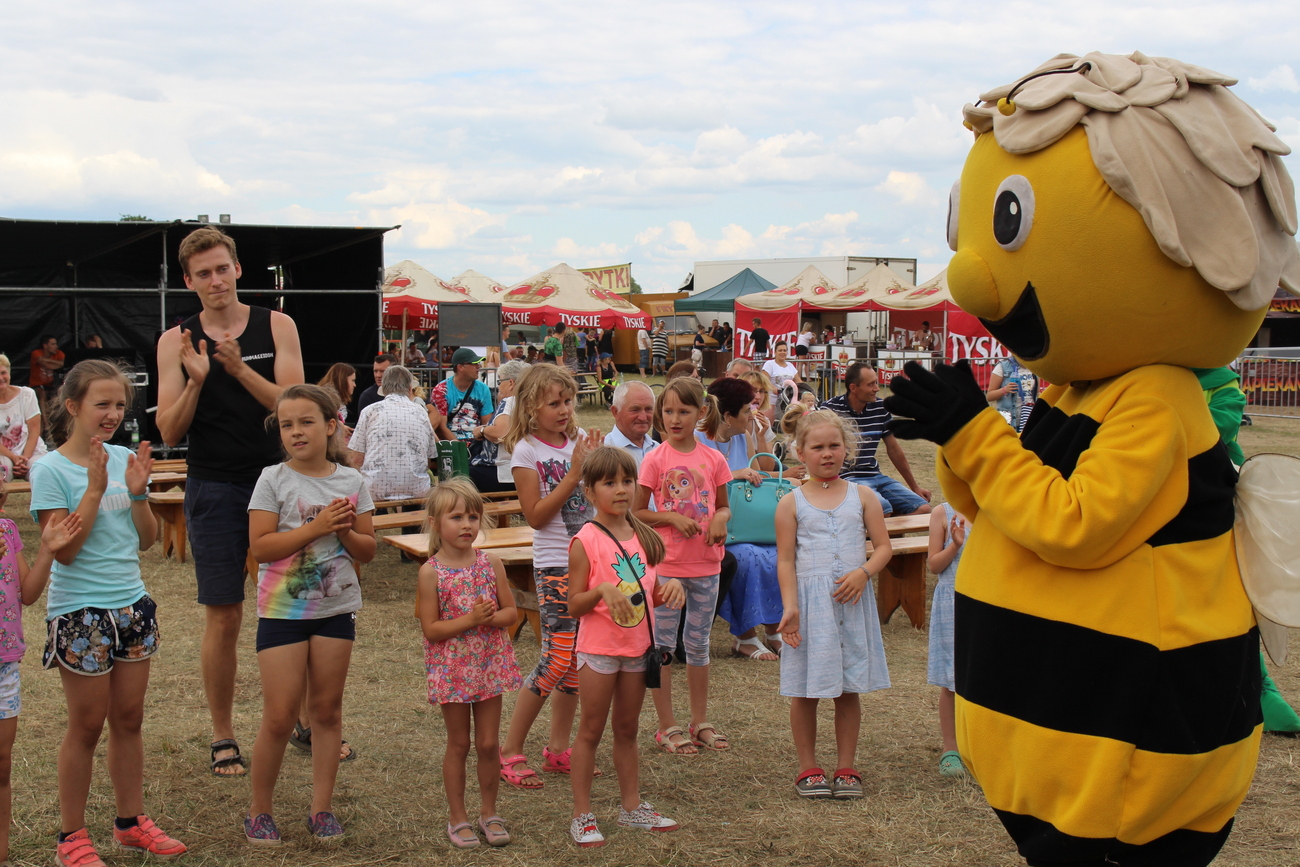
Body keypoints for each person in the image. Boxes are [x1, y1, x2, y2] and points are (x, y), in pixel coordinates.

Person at [155, 225, 304, 778]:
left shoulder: (278, 324)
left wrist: (238, 368)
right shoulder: (175, 341)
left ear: (238, 269)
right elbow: (169, 430)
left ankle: (302, 718)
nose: (215, 280)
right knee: (224, 614)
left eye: (222, 268)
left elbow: (294, 407)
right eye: (204, 273)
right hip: (214, 484)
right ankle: (223, 733)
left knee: (294, 603)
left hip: (280, 482)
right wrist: (197, 381)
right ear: (188, 282)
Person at [30, 360, 189, 863]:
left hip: (132, 606)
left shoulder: (123, 458)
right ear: (72, 406)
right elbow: (66, 553)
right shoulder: (50, 470)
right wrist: (95, 490)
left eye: (120, 405)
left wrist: (139, 493)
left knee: (129, 718)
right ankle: (71, 838)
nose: (113, 414)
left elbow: (146, 541)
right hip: (81, 613)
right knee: (86, 726)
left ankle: (130, 822)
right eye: (102, 404)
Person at [244, 383, 376, 845]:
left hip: (335, 610)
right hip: (282, 612)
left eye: (306, 422)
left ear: (331, 426)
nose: (296, 432)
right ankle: (259, 811)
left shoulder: (352, 482)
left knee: (326, 711)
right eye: (287, 425)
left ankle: (321, 809)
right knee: (280, 716)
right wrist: (317, 526)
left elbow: (367, 549)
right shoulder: (272, 479)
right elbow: (261, 548)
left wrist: (344, 532)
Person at [567, 447, 685, 847]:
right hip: (599, 651)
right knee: (590, 730)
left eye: (627, 481)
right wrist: (601, 590)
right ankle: (582, 815)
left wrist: (672, 587)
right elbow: (573, 604)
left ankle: (631, 807)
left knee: (628, 729)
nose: (621, 490)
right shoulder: (585, 540)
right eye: (609, 483)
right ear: (589, 491)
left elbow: (648, 592)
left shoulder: (644, 537)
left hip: (638, 650)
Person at [776, 410, 893, 800]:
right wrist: (791, 608)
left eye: (834, 445)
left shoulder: (864, 496)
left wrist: (864, 572)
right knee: (805, 690)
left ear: (847, 448)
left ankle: (846, 767)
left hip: (850, 604)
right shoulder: (790, 503)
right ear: (800, 452)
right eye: (817, 447)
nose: (827, 453)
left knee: (848, 688)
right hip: (810, 609)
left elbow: (884, 547)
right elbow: (785, 561)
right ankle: (808, 767)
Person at [498, 365, 601, 790]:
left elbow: (595, 502)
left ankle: (559, 748)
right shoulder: (526, 451)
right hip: (556, 563)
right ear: (530, 407)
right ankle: (509, 750)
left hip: (589, 561)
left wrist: (594, 470)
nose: (564, 409)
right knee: (557, 658)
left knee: (576, 660)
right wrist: (575, 473)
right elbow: (537, 517)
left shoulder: (580, 441)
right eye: (554, 403)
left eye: (568, 401)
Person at [418, 479, 521, 849]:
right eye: (457, 517)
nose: (466, 525)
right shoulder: (431, 572)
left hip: (490, 665)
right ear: (435, 523)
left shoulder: (491, 564)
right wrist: (472, 619)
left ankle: (489, 812)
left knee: (489, 743)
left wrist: (490, 618)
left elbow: (511, 612)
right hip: (453, 670)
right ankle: (457, 816)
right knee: (459, 743)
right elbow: (431, 629)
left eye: (473, 517)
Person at [636, 378, 732, 754]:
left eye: (684, 411)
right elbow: (637, 512)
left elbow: (723, 506)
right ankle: (666, 726)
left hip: (707, 565)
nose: (675, 419)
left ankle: (699, 721)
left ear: (701, 413)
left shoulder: (714, 459)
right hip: (668, 569)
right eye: (668, 411)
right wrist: (671, 518)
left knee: (698, 643)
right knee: (662, 646)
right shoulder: (655, 459)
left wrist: (721, 519)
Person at [0, 480, 80, 864]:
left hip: (4, 664)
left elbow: (27, 594)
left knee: (2, 764)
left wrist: (47, 549)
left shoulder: (7, 530)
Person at [696, 378, 782, 661]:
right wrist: (733, 475)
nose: (751, 415)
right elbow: (693, 487)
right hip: (712, 526)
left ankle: (774, 630)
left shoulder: (742, 437)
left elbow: (758, 474)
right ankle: (744, 636)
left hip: (744, 525)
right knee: (745, 558)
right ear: (728, 416)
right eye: (746, 410)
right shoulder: (697, 440)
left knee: (776, 554)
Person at [820, 362, 931, 517]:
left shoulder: (880, 408)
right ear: (853, 388)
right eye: (871, 384)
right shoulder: (830, 410)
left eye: (876, 383)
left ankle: (882, 530)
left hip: (874, 475)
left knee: (923, 509)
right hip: (847, 477)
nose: (877, 388)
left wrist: (915, 487)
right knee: (882, 509)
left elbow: (894, 449)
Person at [348, 366, 438, 500]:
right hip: (417, 490)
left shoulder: (369, 411)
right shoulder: (421, 412)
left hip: (374, 490)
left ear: (384, 390)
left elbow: (356, 458)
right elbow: (428, 457)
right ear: (410, 389)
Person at [926, 502, 968, 778]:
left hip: (988, 602)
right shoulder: (942, 513)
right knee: (952, 679)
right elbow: (934, 565)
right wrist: (954, 545)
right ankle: (950, 748)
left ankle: (982, 747)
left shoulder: (995, 507)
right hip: (953, 603)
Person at [472, 359, 529, 495]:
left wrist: (482, 430)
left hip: (503, 472)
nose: (498, 387)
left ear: (511, 383)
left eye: (500, 382)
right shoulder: (531, 402)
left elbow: (501, 433)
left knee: (459, 474)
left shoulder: (511, 401)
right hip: (524, 470)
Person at [429, 348, 494, 454]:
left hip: (477, 445)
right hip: (451, 447)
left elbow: (486, 423)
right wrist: (461, 450)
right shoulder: (441, 390)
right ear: (460, 367)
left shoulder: (483, 389)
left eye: (478, 363)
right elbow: (441, 426)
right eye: (474, 364)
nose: (479, 366)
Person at [0, 354, 47, 481]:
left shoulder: (27, 394)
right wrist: (14, 458)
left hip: (31, 451)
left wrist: (24, 459)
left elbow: (34, 430)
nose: (1, 378)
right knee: (2, 471)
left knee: (42, 470)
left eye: (3, 373)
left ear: (9, 373)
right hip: (3, 454)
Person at [605, 381, 658, 466]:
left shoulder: (659, 450)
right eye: (635, 410)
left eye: (648, 409)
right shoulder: (603, 454)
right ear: (616, 412)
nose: (643, 417)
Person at [986, 356, 1039, 431]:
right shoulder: (1003, 366)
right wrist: (1005, 390)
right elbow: (989, 396)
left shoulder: (1034, 367)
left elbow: (1036, 394)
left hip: (1028, 418)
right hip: (1009, 420)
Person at [28, 334, 65, 413]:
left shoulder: (59, 353)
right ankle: (46, 420)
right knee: (42, 393)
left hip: (52, 384)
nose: (56, 346)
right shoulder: (36, 353)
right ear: (45, 346)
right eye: (53, 344)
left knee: (60, 392)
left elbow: (63, 364)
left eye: (56, 344)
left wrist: (46, 360)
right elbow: (48, 366)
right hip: (37, 384)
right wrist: (57, 363)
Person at [318, 362, 357, 428]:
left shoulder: (338, 401)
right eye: (352, 380)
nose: (354, 385)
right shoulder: (326, 401)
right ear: (343, 380)